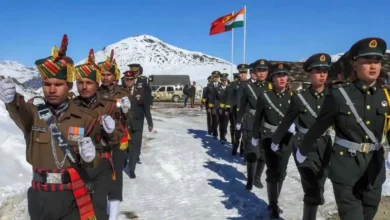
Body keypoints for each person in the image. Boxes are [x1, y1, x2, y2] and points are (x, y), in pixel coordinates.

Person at [0, 34, 100, 220]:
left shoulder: (85, 119)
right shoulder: (34, 114)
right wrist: (11, 100)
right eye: (47, 84)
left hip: (72, 195)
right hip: (40, 197)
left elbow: (94, 162)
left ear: (69, 86)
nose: (52, 90)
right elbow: (19, 110)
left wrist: (91, 157)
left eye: (58, 84)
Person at [297, 37, 390, 220]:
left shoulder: (385, 95)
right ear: (355, 65)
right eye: (367, 61)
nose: (373, 66)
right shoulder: (339, 95)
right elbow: (319, 126)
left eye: (377, 61)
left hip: (375, 167)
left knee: (368, 214)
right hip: (346, 167)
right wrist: (303, 150)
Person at [271, 53, 333, 219]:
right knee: (311, 188)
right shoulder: (300, 98)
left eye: (325, 71)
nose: (322, 74)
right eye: (317, 71)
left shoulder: (334, 97)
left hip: (325, 145)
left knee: (319, 185)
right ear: (309, 74)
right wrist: (276, 140)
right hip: (304, 146)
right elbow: (286, 121)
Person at [74, 48, 124, 219]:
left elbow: (118, 136)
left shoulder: (108, 105)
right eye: (80, 82)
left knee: (98, 206)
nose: (84, 86)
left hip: (100, 163)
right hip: (76, 164)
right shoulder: (71, 106)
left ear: (96, 84)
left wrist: (111, 132)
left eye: (89, 82)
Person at [250, 63, 294, 219]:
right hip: (269, 138)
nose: (281, 78)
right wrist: (255, 136)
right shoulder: (265, 97)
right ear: (273, 78)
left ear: (287, 78)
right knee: (272, 171)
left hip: (287, 139)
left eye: (284, 75)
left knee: (282, 171)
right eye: (278, 76)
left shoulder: (294, 97)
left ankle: (275, 201)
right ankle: (273, 205)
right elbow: (258, 119)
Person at [97, 49, 131, 220]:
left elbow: (129, 117)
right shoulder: (96, 93)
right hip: (100, 140)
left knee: (116, 175)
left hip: (117, 140)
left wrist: (126, 110)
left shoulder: (122, 93)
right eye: (102, 74)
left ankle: (114, 214)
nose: (105, 78)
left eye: (108, 75)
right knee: (101, 174)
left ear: (114, 76)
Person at [237, 59, 272, 190]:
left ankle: (257, 177)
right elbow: (241, 106)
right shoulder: (248, 88)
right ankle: (250, 179)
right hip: (251, 122)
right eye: (259, 70)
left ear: (267, 72)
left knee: (263, 153)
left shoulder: (271, 87)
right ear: (255, 72)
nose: (262, 73)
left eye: (264, 70)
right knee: (252, 152)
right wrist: (239, 121)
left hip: (266, 122)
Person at [125, 65, 153, 178]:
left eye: (134, 73)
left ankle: (131, 169)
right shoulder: (122, 89)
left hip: (138, 121)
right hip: (125, 122)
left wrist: (150, 122)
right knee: (126, 145)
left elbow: (146, 106)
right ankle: (125, 159)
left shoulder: (142, 86)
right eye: (128, 78)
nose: (129, 80)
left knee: (135, 146)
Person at [228, 64, 250, 156]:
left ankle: (242, 149)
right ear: (239, 73)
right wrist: (229, 107)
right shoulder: (234, 84)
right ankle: (235, 146)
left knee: (245, 131)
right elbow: (230, 97)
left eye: (244, 73)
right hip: (235, 111)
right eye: (241, 72)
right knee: (236, 131)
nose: (243, 75)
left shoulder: (250, 84)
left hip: (246, 111)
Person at [209, 73, 230, 144]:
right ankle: (218, 135)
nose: (224, 81)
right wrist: (211, 107)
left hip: (226, 109)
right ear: (220, 80)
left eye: (225, 80)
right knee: (218, 122)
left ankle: (223, 136)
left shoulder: (229, 88)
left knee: (225, 124)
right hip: (218, 109)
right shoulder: (216, 89)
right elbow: (212, 98)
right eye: (223, 80)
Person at [207, 71, 221, 139]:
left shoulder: (221, 85)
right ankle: (215, 133)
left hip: (219, 105)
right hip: (212, 105)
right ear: (213, 77)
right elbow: (208, 95)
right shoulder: (209, 85)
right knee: (214, 118)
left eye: (217, 77)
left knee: (218, 120)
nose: (216, 78)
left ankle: (213, 128)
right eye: (215, 77)